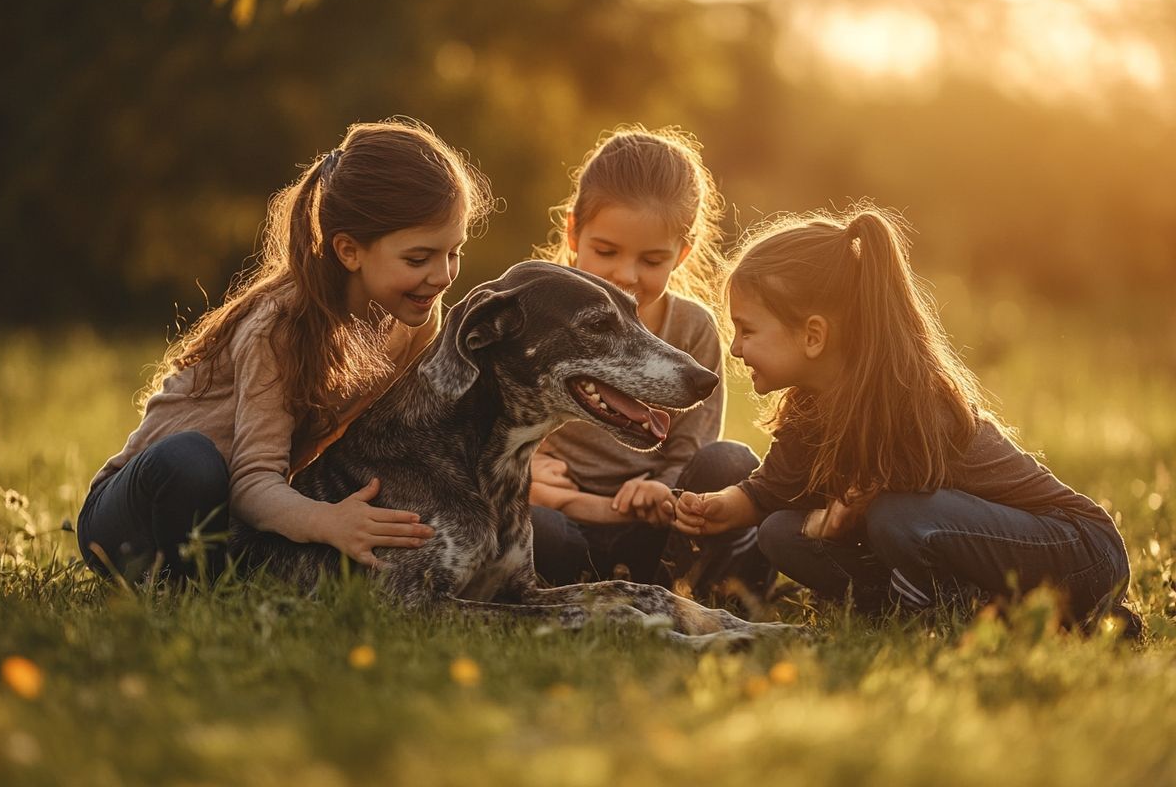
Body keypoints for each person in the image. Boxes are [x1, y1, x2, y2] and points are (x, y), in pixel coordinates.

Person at [673, 205, 1134, 629]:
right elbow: (768, 493)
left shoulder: (911, 401)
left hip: (1079, 552)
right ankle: (938, 607)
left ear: (813, 335)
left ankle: (991, 608)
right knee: (779, 532)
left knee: (898, 517)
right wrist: (717, 506)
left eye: (747, 329)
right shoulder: (808, 409)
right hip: (960, 550)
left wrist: (829, 520)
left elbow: (873, 513)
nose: (735, 348)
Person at [78, 119, 494, 583]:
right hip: (134, 517)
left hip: (230, 524)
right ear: (349, 251)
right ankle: (190, 590)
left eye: (453, 252)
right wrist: (326, 520)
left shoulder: (414, 322)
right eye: (418, 259)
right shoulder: (280, 326)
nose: (442, 276)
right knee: (193, 461)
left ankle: (232, 576)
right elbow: (253, 482)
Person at [530, 125, 765, 598]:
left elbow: (690, 445)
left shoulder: (692, 329)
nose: (626, 275)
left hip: (657, 523)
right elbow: (496, 423)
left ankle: (685, 579)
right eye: (606, 251)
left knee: (730, 462)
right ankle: (595, 579)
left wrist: (663, 487)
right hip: (562, 517)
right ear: (574, 231)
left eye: (652, 260)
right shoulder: (537, 311)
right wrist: (529, 465)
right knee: (533, 526)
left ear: (682, 253)